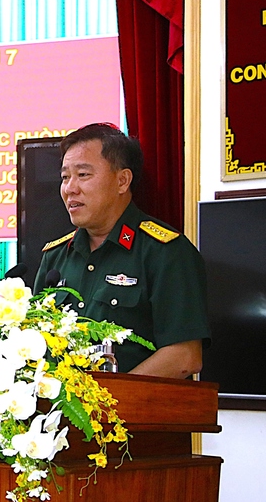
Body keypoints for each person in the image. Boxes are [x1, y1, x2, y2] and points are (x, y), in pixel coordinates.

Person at [33, 123, 209, 379]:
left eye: (83, 174)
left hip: (131, 405)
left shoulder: (165, 252)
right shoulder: (55, 257)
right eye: (65, 177)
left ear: (122, 181)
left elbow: (184, 357)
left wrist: (109, 398)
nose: (70, 188)